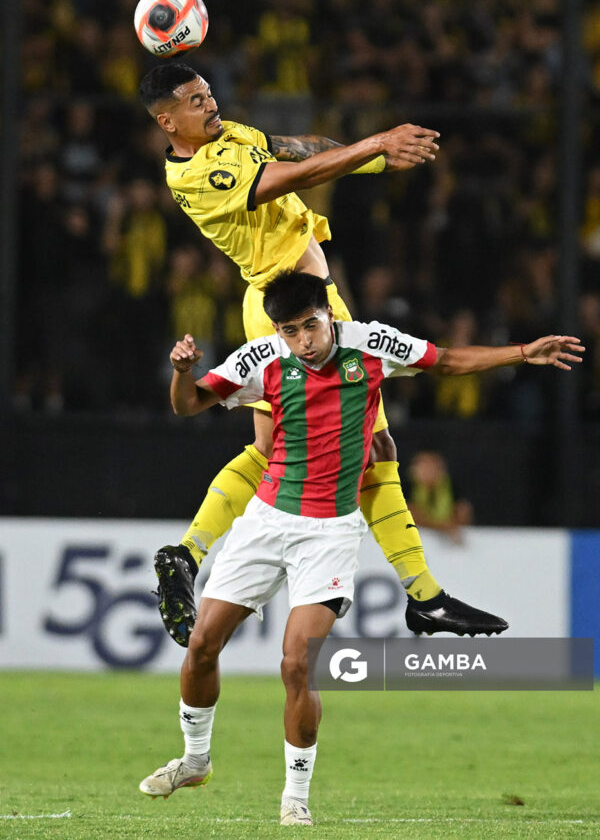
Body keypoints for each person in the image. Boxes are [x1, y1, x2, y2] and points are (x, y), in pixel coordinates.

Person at [139, 270, 583, 824]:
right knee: (202, 644)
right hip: (266, 522)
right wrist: (182, 375)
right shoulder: (261, 358)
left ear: (330, 314)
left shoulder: (370, 343)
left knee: (297, 663)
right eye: (290, 330)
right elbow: (188, 405)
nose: (303, 340)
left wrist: (522, 353)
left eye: (310, 325)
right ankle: (195, 759)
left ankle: (295, 798)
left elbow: (445, 361)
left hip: (329, 534)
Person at [138, 62, 490, 646]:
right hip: (297, 311)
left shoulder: (230, 137)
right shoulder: (201, 173)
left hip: (286, 300)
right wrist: (376, 142)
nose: (210, 102)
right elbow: (285, 179)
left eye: (207, 91)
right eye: (195, 101)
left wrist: (376, 158)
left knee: (277, 447)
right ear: (166, 120)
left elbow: (303, 150)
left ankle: (188, 550)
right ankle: (425, 597)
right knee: (373, 445)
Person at [406, 449, 473, 545]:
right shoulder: (405, 487)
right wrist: (443, 526)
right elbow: (409, 515)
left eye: (432, 467)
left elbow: (463, 513)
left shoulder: (451, 486)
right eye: (424, 467)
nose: (428, 471)